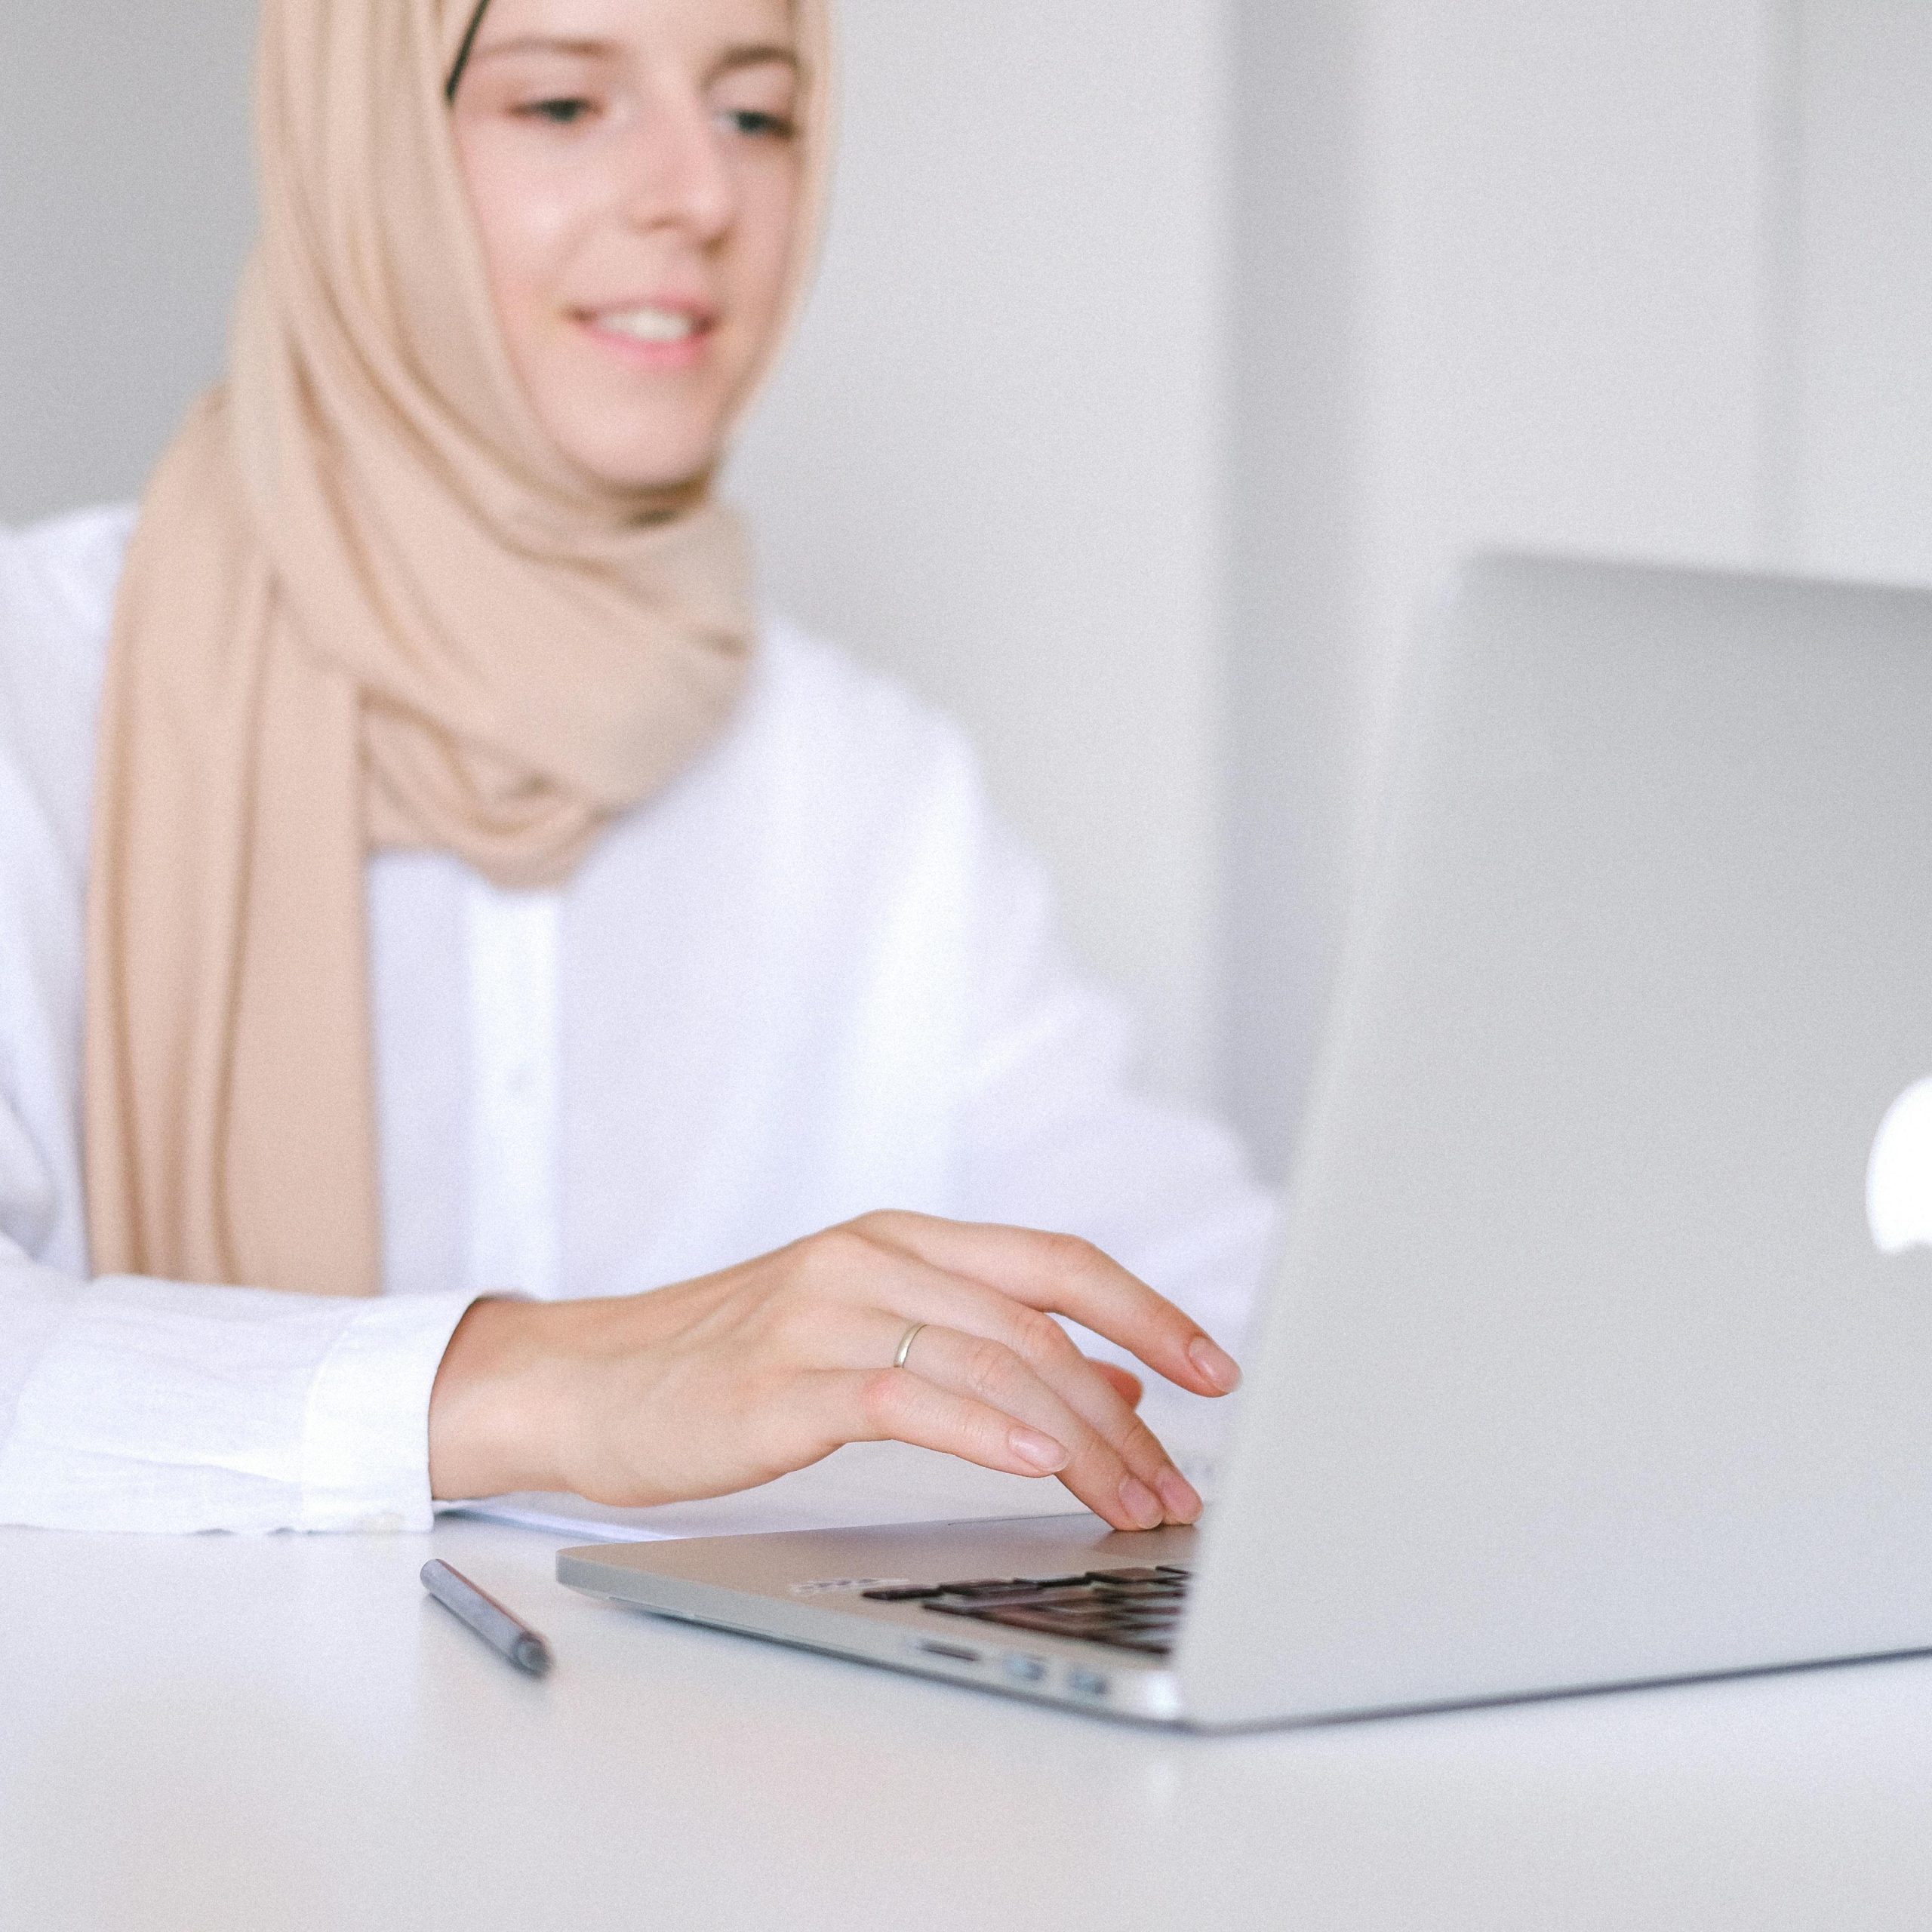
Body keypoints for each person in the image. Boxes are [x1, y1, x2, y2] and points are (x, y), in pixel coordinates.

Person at [0, 0, 1272, 1537]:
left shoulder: (870, 785)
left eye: (756, 113)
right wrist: (550, 1381)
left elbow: (1208, 1308)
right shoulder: (39, 677)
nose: (699, 195)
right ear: (361, 150)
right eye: (559, 104)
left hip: (721, 1777)